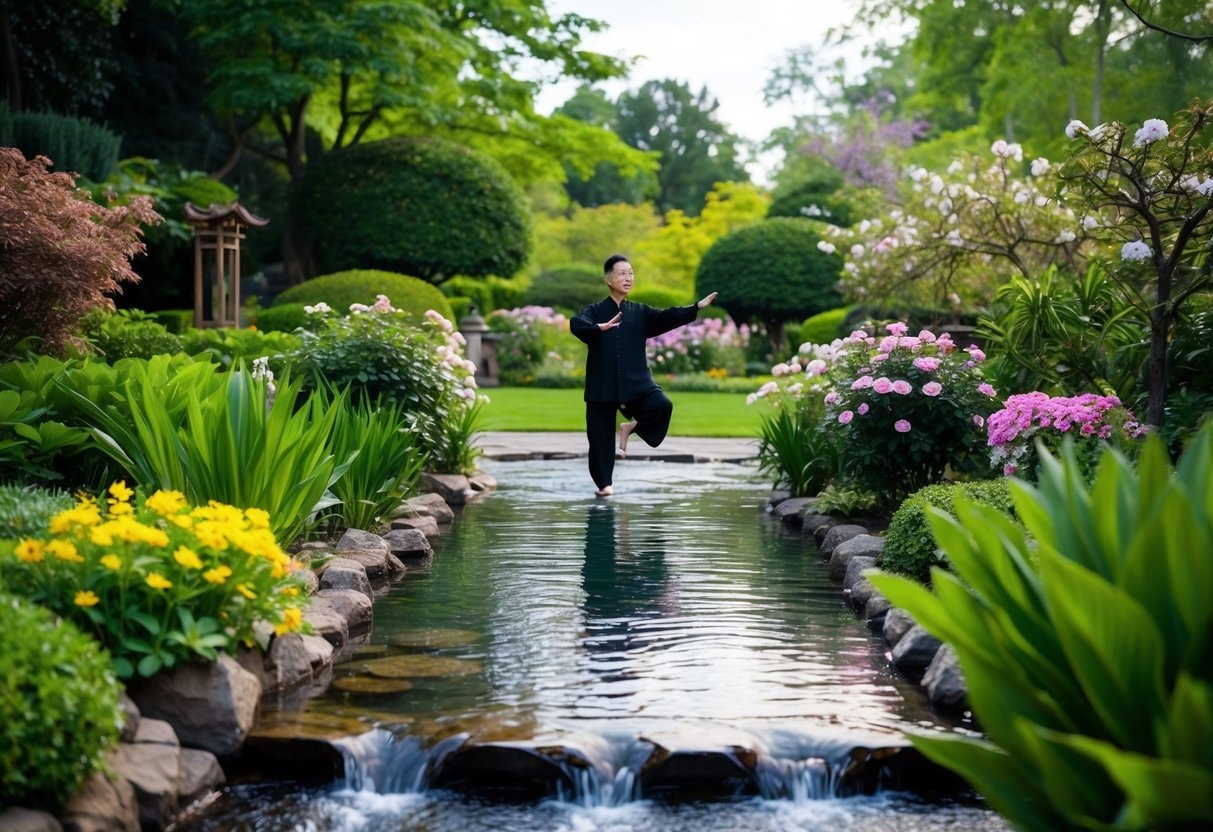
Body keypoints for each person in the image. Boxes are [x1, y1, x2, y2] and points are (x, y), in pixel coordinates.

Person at [570, 254, 718, 497]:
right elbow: (576, 323)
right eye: (622, 273)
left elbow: (666, 316)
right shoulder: (595, 311)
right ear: (608, 279)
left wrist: (695, 308)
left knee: (662, 405)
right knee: (599, 441)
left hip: (635, 384)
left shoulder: (640, 312)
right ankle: (605, 486)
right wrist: (599, 328)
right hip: (602, 386)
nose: (628, 278)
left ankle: (630, 427)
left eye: (631, 273)